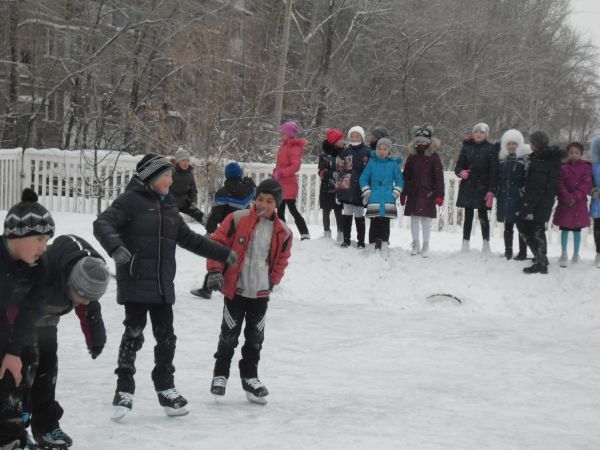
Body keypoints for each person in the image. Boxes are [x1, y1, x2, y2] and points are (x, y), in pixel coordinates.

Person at [93, 153, 236, 421]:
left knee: (167, 338)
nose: (171, 180)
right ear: (151, 178)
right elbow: (102, 223)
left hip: (162, 285)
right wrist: (116, 247)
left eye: (171, 175)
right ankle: (124, 389)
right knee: (133, 335)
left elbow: (190, 239)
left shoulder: (169, 205)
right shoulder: (129, 201)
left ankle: (166, 387)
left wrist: (222, 252)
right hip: (136, 282)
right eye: (166, 176)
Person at [205, 179, 292, 404]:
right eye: (260, 199)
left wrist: (273, 280)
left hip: (260, 293)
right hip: (236, 289)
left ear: (277, 204)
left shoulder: (283, 231)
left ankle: (250, 377)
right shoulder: (237, 219)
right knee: (229, 336)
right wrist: (215, 271)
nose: (263, 204)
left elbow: (282, 258)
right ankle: (220, 375)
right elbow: (217, 243)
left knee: (255, 338)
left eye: (269, 201)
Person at [29, 235, 109, 449]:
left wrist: (95, 340)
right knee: (19, 374)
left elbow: (90, 310)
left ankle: (46, 426)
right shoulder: (40, 270)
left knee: (46, 373)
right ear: (68, 281)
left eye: (90, 297)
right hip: (16, 319)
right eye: (81, 295)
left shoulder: (88, 276)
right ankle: (11, 428)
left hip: (46, 321)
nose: (84, 301)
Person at [1, 189, 54, 450]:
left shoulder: (38, 266)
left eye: (47, 240)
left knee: (23, 361)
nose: (44, 247)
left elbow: (31, 310)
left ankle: (13, 433)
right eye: (40, 239)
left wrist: (14, 352)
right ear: (16, 235)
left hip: (10, 325)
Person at [191, 162, 256, 299]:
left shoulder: (223, 192)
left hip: (229, 230)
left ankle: (207, 289)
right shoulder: (248, 189)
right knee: (242, 257)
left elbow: (216, 215)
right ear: (240, 174)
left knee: (219, 256)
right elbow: (257, 192)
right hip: (246, 230)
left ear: (226, 175)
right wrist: (250, 183)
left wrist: (209, 231)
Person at [516, 131, 562, 274]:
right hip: (545, 201)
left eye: (531, 142)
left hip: (538, 202)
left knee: (528, 227)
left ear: (535, 144)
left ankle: (541, 261)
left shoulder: (542, 161)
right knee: (538, 229)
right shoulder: (548, 158)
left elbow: (537, 186)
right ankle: (541, 258)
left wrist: (527, 205)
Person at [455, 122, 499, 256]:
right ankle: (465, 243)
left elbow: (494, 172)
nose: (478, 134)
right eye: (476, 132)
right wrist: (461, 172)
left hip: (483, 188)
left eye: (482, 132)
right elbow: (458, 167)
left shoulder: (491, 149)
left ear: (486, 134)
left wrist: (491, 190)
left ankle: (486, 244)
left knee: (483, 216)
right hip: (468, 186)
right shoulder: (466, 148)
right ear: (473, 134)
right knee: (468, 216)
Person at [400, 126, 445, 258]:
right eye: (418, 141)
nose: (421, 143)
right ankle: (415, 243)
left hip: (428, 194)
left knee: (426, 220)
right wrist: (403, 192)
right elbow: (405, 176)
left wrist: (440, 195)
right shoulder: (412, 156)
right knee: (414, 219)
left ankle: (426, 244)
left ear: (429, 142)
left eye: (423, 141)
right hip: (413, 193)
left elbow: (439, 178)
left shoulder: (434, 157)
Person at [359, 138, 404, 253]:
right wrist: (366, 190)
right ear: (376, 150)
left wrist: (396, 192)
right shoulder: (371, 163)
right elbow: (363, 178)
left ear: (389, 151)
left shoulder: (393, 164)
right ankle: (372, 245)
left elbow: (400, 180)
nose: (381, 151)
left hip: (388, 197)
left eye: (384, 149)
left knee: (385, 223)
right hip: (374, 196)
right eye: (379, 149)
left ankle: (384, 244)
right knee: (374, 222)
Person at [552, 142, 592, 267]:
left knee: (577, 230)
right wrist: (567, 197)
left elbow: (586, 184)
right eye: (571, 153)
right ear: (567, 154)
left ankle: (576, 253)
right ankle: (564, 253)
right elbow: (559, 183)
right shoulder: (563, 167)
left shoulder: (586, 167)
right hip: (565, 203)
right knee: (564, 229)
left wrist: (575, 197)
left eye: (577, 153)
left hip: (579, 204)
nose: (574, 155)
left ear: (581, 154)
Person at [272, 121, 310, 240]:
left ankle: (304, 233)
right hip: (281, 183)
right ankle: (282, 234)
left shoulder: (294, 148)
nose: (281, 135)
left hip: (289, 184)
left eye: (283, 133)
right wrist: (275, 172)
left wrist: (281, 173)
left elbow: (296, 166)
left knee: (292, 209)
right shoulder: (284, 146)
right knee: (280, 210)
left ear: (289, 134)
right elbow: (281, 164)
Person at [496, 129, 531, 260]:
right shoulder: (501, 160)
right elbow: (498, 178)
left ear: (519, 145)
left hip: (518, 197)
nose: (511, 146)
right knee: (508, 225)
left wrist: (523, 192)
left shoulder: (524, 160)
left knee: (521, 226)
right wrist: (498, 191)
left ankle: (522, 252)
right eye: (509, 144)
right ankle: (508, 251)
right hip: (504, 196)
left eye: (514, 144)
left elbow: (527, 178)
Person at [337, 126, 371, 248]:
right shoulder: (345, 152)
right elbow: (340, 170)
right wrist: (338, 191)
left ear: (362, 137)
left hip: (360, 186)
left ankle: (361, 241)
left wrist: (368, 188)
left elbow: (371, 170)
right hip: (346, 186)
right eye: (352, 136)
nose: (354, 138)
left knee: (359, 214)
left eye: (357, 136)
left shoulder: (367, 152)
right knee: (347, 213)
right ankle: (346, 240)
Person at [318, 129, 344, 242]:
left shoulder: (343, 154)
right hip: (326, 187)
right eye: (340, 139)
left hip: (339, 188)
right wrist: (324, 173)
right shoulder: (324, 155)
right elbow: (321, 170)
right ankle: (326, 233)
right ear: (334, 142)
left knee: (338, 210)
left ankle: (341, 233)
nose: (343, 141)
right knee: (326, 210)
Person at [170, 147, 206, 224]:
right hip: (171, 203)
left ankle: (212, 227)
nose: (185, 163)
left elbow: (193, 190)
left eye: (187, 160)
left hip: (185, 203)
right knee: (175, 223)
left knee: (202, 217)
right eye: (183, 160)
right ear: (177, 161)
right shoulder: (171, 172)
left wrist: (193, 201)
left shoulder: (189, 174)